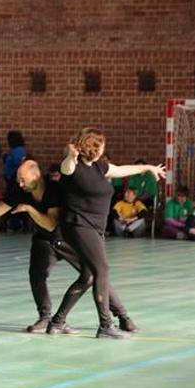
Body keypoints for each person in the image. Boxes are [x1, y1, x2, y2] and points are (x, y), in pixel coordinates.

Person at [0, 160, 135, 333]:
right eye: (19, 180)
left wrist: (29, 209)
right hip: (45, 240)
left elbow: (51, 224)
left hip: (68, 239)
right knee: (37, 274)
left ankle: (123, 317)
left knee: (95, 274)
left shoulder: (54, 190)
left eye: (23, 179)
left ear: (36, 176)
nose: (20, 184)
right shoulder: (20, 190)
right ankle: (45, 317)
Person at [49, 128, 165, 339]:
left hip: (94, 228)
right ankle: (105, 325)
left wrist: (148, 168)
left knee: (88, 276)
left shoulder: (99, 166)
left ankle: (57, 321)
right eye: (101, 145)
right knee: (102, 270)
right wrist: (70, 156)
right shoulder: (72, 167)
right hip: (78, 226)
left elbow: (121, 170)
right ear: (92, 147)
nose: (104, 148)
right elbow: (66, 168)